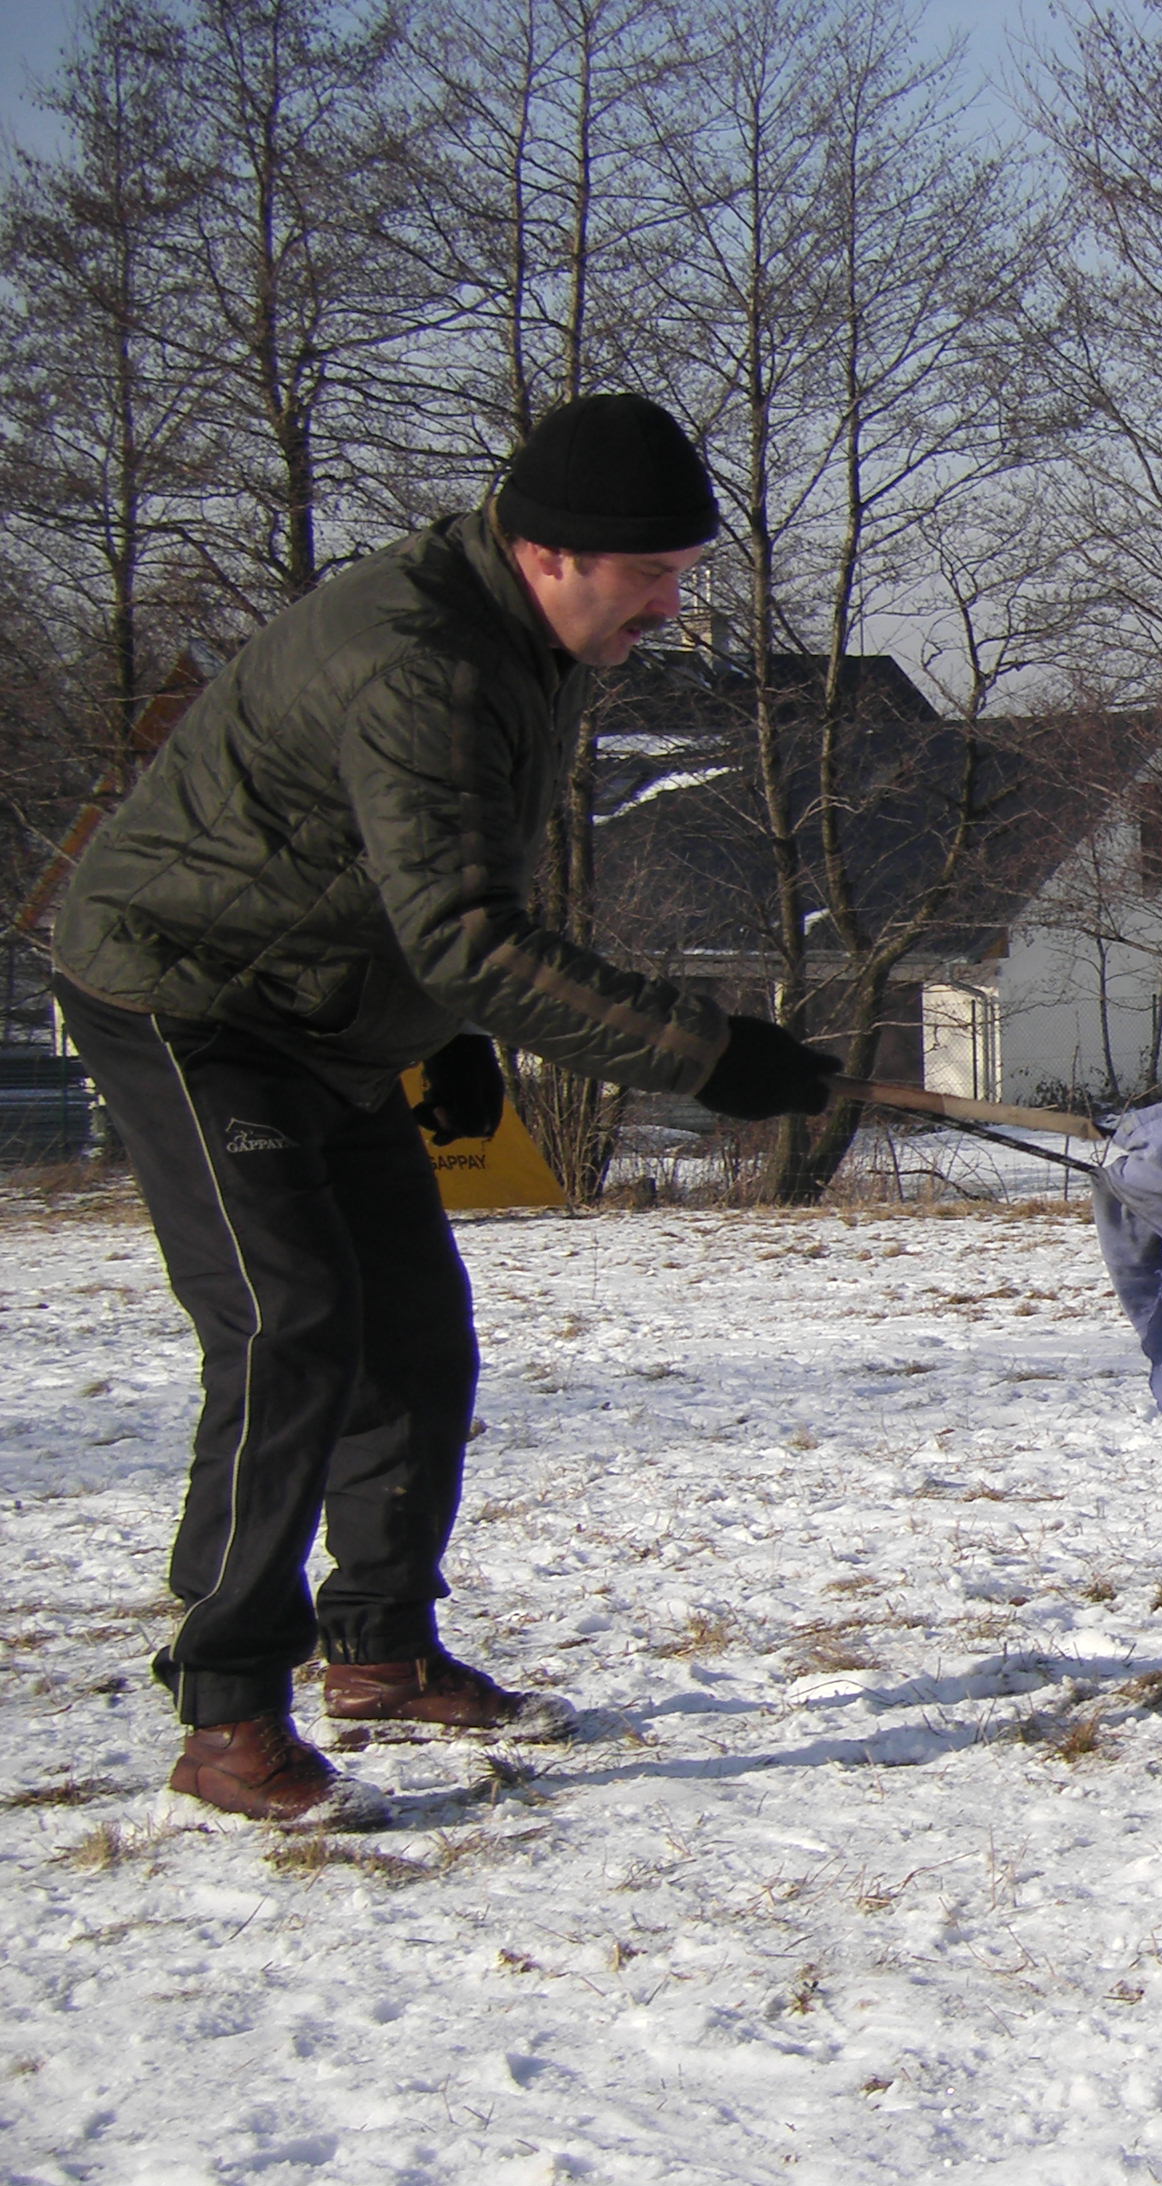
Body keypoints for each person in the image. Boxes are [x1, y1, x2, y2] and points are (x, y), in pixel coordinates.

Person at [53, 394, 844, 1826]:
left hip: (333, 1004)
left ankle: (380, 1648)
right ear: (551, 552)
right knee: (289, 1322)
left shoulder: (520, 630)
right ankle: (227, 1707)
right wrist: (706, 1053)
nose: (672, 608)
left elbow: (439, 882)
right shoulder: (420, 658)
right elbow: (469, 933)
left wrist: (447, 1028)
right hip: (192, 997)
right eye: (654, 577)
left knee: (413, 1331)